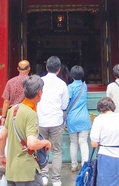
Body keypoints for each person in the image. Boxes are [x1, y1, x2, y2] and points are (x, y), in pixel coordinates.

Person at [0, 75, 52, 186]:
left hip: (11, 170)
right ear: (39, 93)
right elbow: (32, 144)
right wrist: (46, 142)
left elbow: (2, 136)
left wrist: (2, 156)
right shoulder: (31, 114)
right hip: (27, 171)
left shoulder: (13, 110)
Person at [37, 56, 69, 186]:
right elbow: (64, 105)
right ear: (59, 69)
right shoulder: (62, 84)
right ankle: (56, 179)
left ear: (46, 68)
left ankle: (43, 175)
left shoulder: (39, 82)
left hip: (41, 120)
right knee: (56, 150)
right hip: (56, 121)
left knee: (41, 149)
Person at [90, 97, 119, 186]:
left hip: (105, 155)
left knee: (105, 182)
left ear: (100, 109)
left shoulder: (99, 119)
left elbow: (94, 143)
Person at [65, 65, 91, 173]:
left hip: (72, 118)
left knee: (73, 142)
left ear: (71, 75)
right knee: (83, 142)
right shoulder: (85, 86)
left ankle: (74, 165)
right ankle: (85, 165)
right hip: (84, 117)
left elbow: (66, 102)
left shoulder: (69, 87)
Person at [1, 60, 31, 125]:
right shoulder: (32, 82)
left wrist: (3, 116)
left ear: (18, 69)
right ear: (29, 69)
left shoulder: (10, 82)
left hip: (12, 114)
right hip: (27, 113)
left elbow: (6, 101)